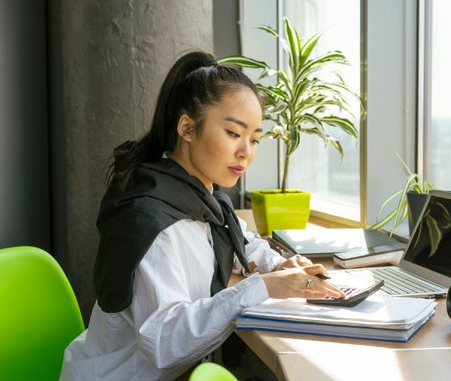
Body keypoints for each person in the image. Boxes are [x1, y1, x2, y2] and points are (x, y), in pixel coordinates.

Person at [59, 51, 344, 381]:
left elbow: (242, 243)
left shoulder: (201, 196)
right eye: (234, 134)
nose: (246, 153)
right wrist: (263, 286)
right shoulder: (154, 220)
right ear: (187, 128)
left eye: (254, 139)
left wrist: (279, 265)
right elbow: (165, 341)